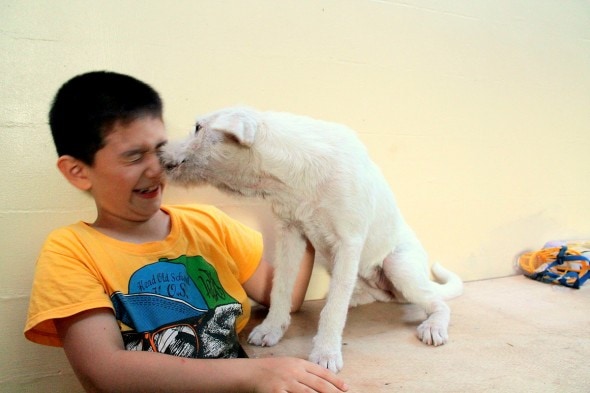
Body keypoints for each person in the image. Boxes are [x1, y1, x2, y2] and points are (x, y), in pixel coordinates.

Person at [24, 71, 348, 393]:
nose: (158, 166)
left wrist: (303, 208)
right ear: (78, 172)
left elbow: (285, 299)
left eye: (160, 148)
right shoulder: (70, 251)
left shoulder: (208, 225)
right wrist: (255, 373)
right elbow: (105, 371)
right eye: (134, 156)